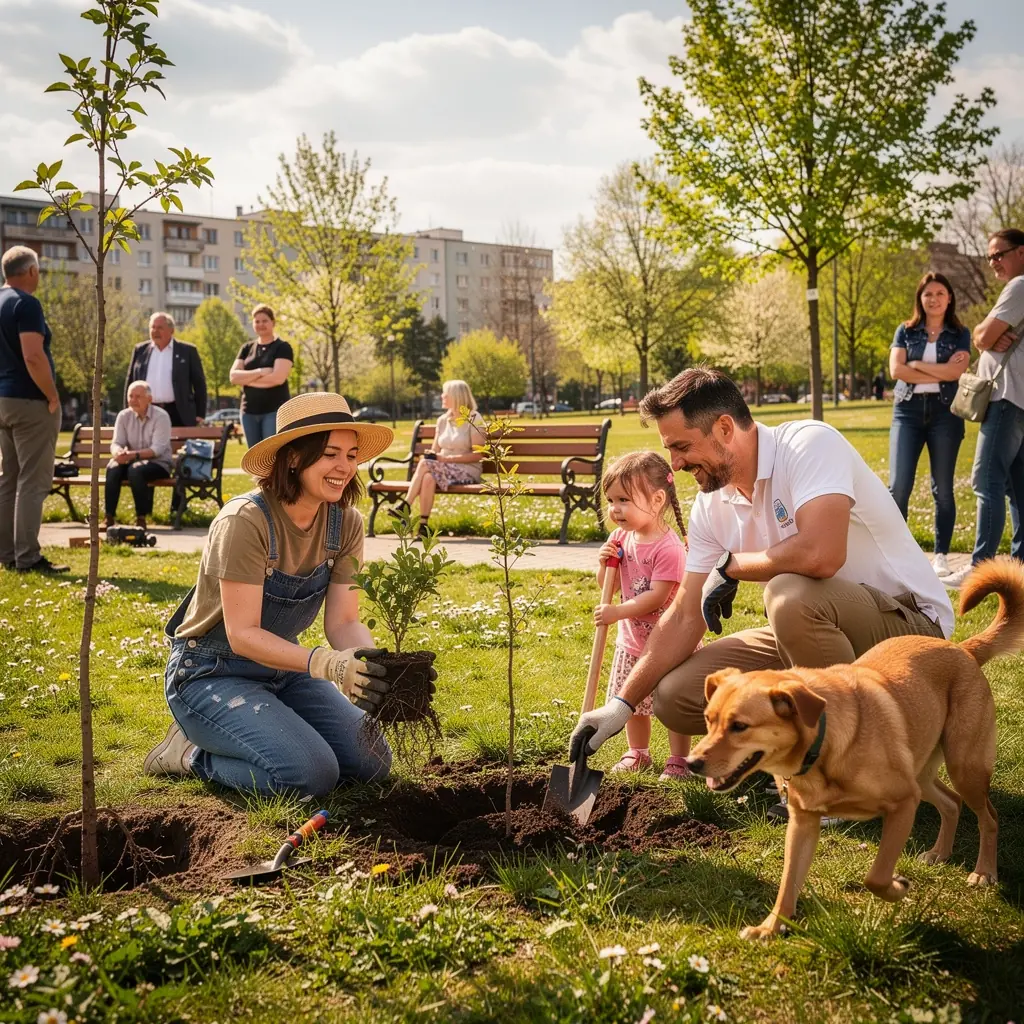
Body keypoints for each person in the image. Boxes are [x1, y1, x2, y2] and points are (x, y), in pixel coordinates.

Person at [567, 367, 954, 817]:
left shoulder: (809, 445)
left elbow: (821, 555)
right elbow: (683, 615)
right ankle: (802, 755)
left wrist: (731, 567)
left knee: (788, 595)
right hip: (826, 633)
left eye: (681, 446)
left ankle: (837, 778)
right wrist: (620, 705)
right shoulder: (712, 503)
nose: (674, 464)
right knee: (676, 696)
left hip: (909, 637)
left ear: (725, 429)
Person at [144, 392, 404, 797]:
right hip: (210, 673)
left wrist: (373, 668)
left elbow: (344, 621)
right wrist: (326, 665)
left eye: (352, 455)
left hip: (285, 669)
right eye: (331, 454)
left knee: (371, 762)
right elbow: (242, 634)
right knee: (310, 775)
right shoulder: (245, 521)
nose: (345, 467)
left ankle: (267, 727)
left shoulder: (345, 523)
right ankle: (190, 753)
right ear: (295, 457)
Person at [594, 451, 698, 781]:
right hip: (631, 643)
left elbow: (657, 598)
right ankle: (638, 752)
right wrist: (603, 563)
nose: (614, 509)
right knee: (631, 702)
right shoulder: (619, 539)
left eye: (624, 499)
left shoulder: (668, 548)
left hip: (667, 644)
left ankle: (679, 758)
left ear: (656, 500)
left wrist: (616, 613)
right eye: (611, 500)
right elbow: (606, 587)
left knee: (671, 704)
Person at [943, 229, 1024, 589]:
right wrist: (985, 334)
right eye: (989, 256)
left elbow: (983, 337)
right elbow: (986, 335)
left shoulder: (1020, 286)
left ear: (1021, 252)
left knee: (985, 480)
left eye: (999, 254)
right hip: (1017, 399)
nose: (993, 262)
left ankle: (980, 569)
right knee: (1018, 487)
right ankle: (1019, 566)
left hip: (1006, 397)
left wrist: (983, 335)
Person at [887, 272, 971, 578]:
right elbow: (897, 370)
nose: (933, 299)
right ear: (920, 299)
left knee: (943, 489)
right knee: (898, 488)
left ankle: (941, 556)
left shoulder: (960, 333)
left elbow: (955, 375)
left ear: (949, 298)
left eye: (939, 293)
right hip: (906, 413)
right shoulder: (905, 331)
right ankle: (896, 556)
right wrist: (941, 370)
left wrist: (918, 365)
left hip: (945, 413)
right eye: (927, 294)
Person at [0, 245, 67, 574]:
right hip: (29, 401)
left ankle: (8, 554)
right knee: (32, 480)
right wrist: (52, 395)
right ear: (31, 271)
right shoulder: (25, 303)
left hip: (3, 401)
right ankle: (27, 557)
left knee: (9, 477)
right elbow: (33, 356)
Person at [403, 379, 486, 538]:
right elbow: (435, 450)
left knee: (426, 467)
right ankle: (423, 527)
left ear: (456, 396)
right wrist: (432, 454)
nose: (442, 396)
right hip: (443, 468)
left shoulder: (474, 419)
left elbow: (478, 455)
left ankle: (405, 506)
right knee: (427, 477)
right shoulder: (442, 420)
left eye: (445, 393)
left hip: (467, 471)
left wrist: (444, 459)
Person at [103, 381, 172, 530]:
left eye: (138, 396)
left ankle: (141, 518)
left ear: (150, 399)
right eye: (130, 396)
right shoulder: (123, 416)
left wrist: (131, 455)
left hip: (159, 463)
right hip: (131, 461)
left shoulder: (161, 417)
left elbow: (157, 450)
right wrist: (118, 453)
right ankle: (108, 517)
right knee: (113, 467)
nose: (133, 400)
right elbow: (116, 443)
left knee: (136, 470)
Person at [124, 312, 207, 427]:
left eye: (160, 328)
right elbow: (130, 382)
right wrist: (128, 410)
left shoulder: (187, 351)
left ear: (171, 330)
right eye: (152, 327)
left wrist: (200, 414)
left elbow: (199, 385)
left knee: (178, 445)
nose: (155, 331)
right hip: (146, 410)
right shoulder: (140, 350)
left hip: (178, 413)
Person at [229, 304, 294, 447]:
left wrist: (246, 379)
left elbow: (278, 378)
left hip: (274, 411)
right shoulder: (246, 348)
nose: (260, 324)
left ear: (273, 322)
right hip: (248, 412)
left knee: (271, 455)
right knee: (254, 459)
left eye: (264, 320)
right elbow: (233, 377)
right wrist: (259, 373)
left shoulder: (283, 347)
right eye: (257, 321)